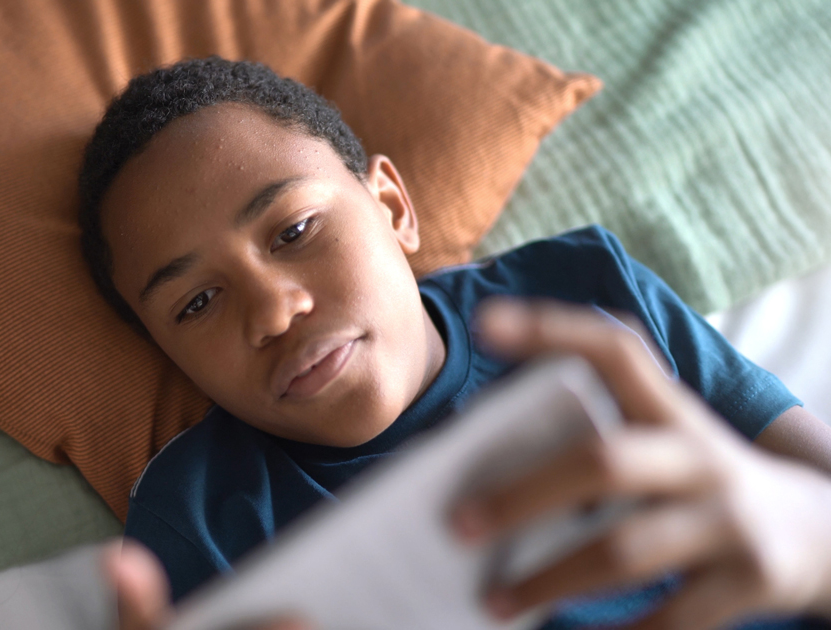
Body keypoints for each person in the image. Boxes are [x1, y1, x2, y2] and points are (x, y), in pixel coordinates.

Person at [76, 56, 831, 628]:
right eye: (197, 302)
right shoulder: (201, 519)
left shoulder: (585, 290)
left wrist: (805, 533)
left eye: (296, 230)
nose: (273, 311)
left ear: (393, 207)